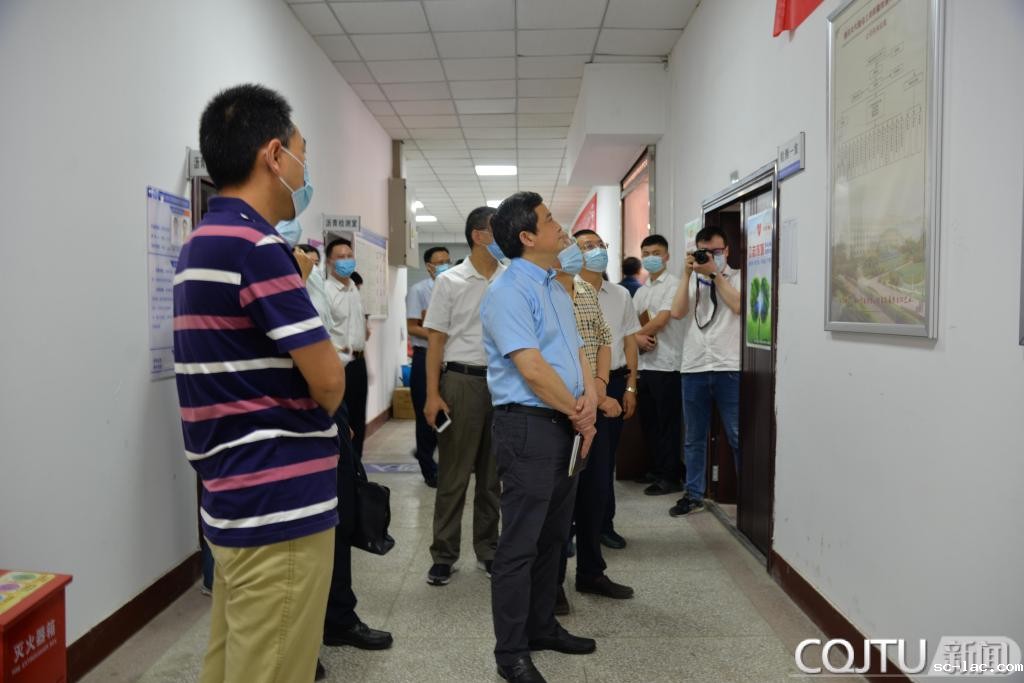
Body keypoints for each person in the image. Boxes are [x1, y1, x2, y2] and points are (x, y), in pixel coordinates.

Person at [174, 83, 342, 683]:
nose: (304, 170)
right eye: (302, 154)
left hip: (232, 494)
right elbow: (329, 382)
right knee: (272, 667)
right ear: (274, 155)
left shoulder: (200, 241)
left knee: (233, 663)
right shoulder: (257, 247)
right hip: (278, 502)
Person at [481, 192, 599, 683]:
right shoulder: (508, 290)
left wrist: (590, 404)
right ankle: (511, 652)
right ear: (527, 237)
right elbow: (530, 368)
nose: (560, 227)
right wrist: (578, 412)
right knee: (520, 543)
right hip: (528, 426)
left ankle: (542, 625)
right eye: (550, 221)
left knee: (554, 535)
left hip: (565, 423)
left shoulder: (554, 285)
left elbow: (577, 352)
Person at [299, 239, 394, 661]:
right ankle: (301, 643)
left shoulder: (326, 286)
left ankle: (338, 619)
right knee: (303, 536)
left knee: (338, 515)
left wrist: (340, 416)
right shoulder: (291, 288)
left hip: (329, 403)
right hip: (297, 419)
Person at [551, 232, 632, 616]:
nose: (581, 253)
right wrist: (589, 397)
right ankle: (552, 583)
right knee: (557, 502)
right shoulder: (542, 292)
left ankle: (591, 571)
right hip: (555, 406)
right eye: (571, 246)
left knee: (595, 490)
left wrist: (599, 389)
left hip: (592, 403)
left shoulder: (586, 292)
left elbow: (601, 342)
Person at [421, 208, 503, 587]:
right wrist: (432, 394)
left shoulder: (510, 277)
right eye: (498, 230)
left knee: (492, 476)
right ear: (478, 235)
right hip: (461, 380)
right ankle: (443, 555)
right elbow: (436, 340)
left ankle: (488, 550)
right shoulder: (450, 280)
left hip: (503, 383)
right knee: (454, 475)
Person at [669, 225, 742, 516]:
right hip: (694, 366)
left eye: (716, 251)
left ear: (727, 251)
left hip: (729, 366)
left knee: (737, 435)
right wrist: (687, 274)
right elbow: (677, 312)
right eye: (704, 252)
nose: (710, 256)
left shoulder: (739, 277)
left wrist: (715, 274)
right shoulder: (690, 280)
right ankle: (694, 494)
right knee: (694, 437)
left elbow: (738, 306)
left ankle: (747, 499)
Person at [573, 231, 640, 552]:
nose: (597, 250)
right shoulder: (565, 290)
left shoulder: (620, 294)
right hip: (577, 385)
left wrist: (631, 385)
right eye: (588, 246)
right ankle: (570, 527)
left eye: (601, 245)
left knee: (604, 462)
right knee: (575, 460)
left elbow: (629, 341)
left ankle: (603, 525)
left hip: (613, 381)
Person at [633, 235, 686, 496]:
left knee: (668, 424)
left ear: (666, 256)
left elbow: (662, 320)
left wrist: (634, 335)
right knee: (650, 422)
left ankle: (671, 476)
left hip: (668, 365)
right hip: (645, 365)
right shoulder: (642, 290)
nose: (650, 258)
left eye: (655, 253)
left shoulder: (674, 285)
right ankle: (656, 469)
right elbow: (630, 321)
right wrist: (635, 337)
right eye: (645, 254)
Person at [406, 246, 451, 488]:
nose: (445, 265)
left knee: (446, 414)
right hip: (425, 357)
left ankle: (441, 461)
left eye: (447, 260)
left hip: (448, 358)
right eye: (440, 262)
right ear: (429, 266)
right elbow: (412, 326)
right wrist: (439, 334)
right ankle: (428, 469)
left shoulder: (454, 286)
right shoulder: (418, 290)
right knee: (426, 416)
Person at [325, 238, 369, 461]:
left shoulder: (354, 288)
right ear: (329, 262)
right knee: (341, 421)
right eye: (340, 257)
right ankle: (342, 470)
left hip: (358, 363)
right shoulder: (325, 291)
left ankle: (356, 469)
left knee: (358, 420)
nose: (346, 261)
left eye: (349, 256)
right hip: (337, 365)